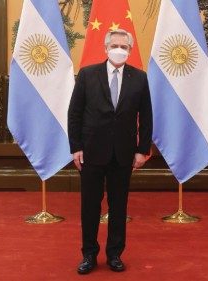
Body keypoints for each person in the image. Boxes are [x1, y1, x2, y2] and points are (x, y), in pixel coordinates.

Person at [68, 29, 152, 274]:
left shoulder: (140, 78)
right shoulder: (87, 75)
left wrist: (142, 150)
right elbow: (74, 114)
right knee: (90, 206)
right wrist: (76, 147)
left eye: (124, 46)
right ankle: (89, 255)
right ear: (105, 48)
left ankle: (115, 254)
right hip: (91, 152)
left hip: (123, 153)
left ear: (130, 50)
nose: (119, 49)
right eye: (114, 45)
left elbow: (146, 117)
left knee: (118, 207)